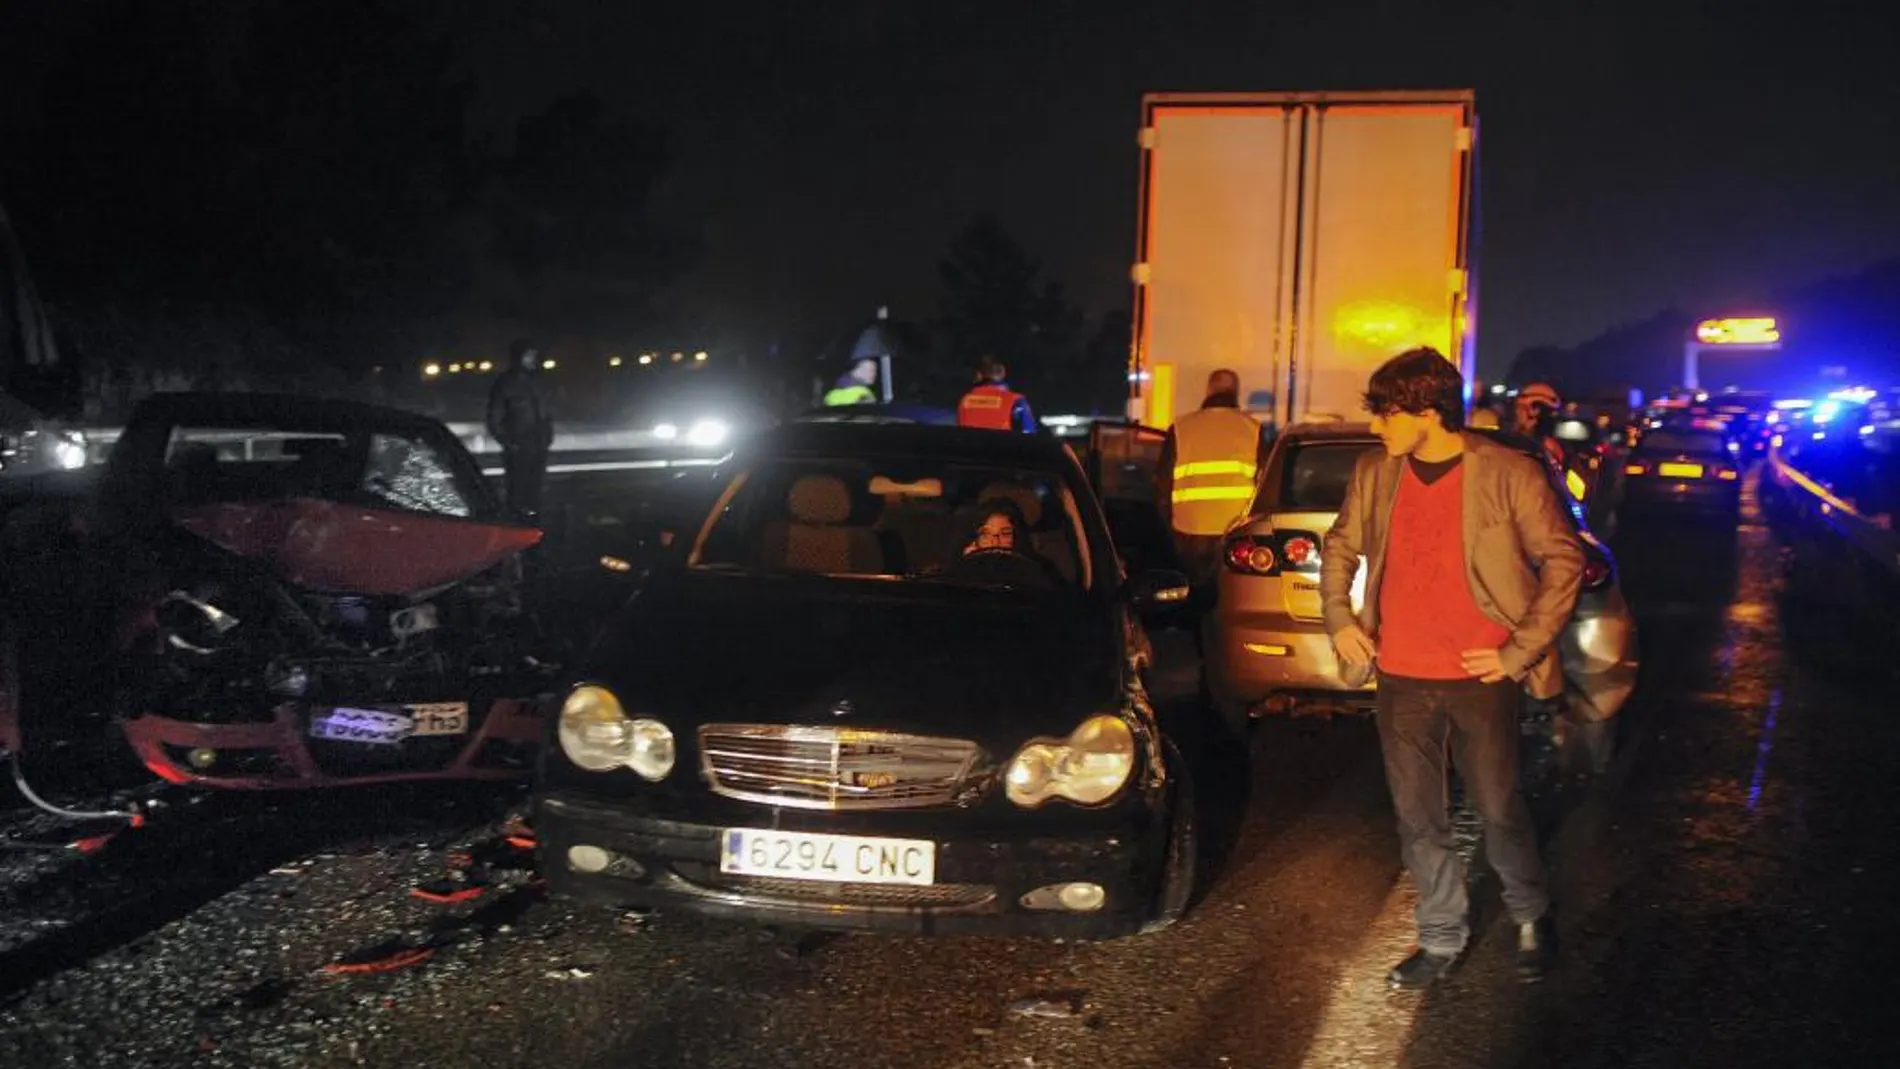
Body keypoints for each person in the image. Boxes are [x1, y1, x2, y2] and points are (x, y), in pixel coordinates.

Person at [1319, 347, 1584, 990]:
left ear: (1428, 412)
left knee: (1498, 807)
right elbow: (1340, 547)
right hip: (1401, 675)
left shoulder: (1507, 473)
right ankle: (1441, 937)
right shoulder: (1375, 473)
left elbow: (1564, 561)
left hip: (1481, 677)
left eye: (1385, 414)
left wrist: (1517, 651)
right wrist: (1340, 619)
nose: (1377, 427)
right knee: (1419, 817)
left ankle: (1529, 912)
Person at [1156, 368, 1267, 585]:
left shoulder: (1181, 428)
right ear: (1235, 393)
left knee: (1193, 598)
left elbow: (1162, 484)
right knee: (1231, 597)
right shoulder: (1253, 429)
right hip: (1237, 531)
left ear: (1208, 391)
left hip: (1189, 530)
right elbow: (1264, 482)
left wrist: (1168, 529)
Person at [486, 338, 554, 521]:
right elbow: (494, 418)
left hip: (537, 445)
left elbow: (545, 413)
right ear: (518, 357)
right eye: (528, 356)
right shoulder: (506, 383)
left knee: (535, 492)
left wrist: (547, 436)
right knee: (517, 493)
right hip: (518, 446)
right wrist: (509, 443)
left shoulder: (538, 381)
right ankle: (517, 528)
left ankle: (533, 528)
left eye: (534, 355)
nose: (533, 359)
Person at [956, 356, 1037, 432]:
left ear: (978, 375)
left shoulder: (965, 400)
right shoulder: (1016, 401)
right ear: (1003, 372)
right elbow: (1029, 434)